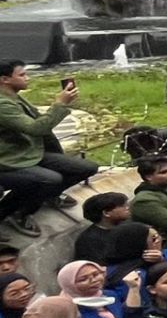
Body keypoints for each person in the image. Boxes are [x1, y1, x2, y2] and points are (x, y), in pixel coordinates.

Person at [0, 60, 98, 235]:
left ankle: (46, 196)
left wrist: (61, 104)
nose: (27, 78)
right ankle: (16, 211)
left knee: (86, 167)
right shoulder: (2, 104)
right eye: (22, 75)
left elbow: (39, 122)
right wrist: (59, 104)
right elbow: (36, 128)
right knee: (50, 179)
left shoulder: (13, 96)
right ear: (5, 79)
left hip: (28, 153)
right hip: (9, 160)